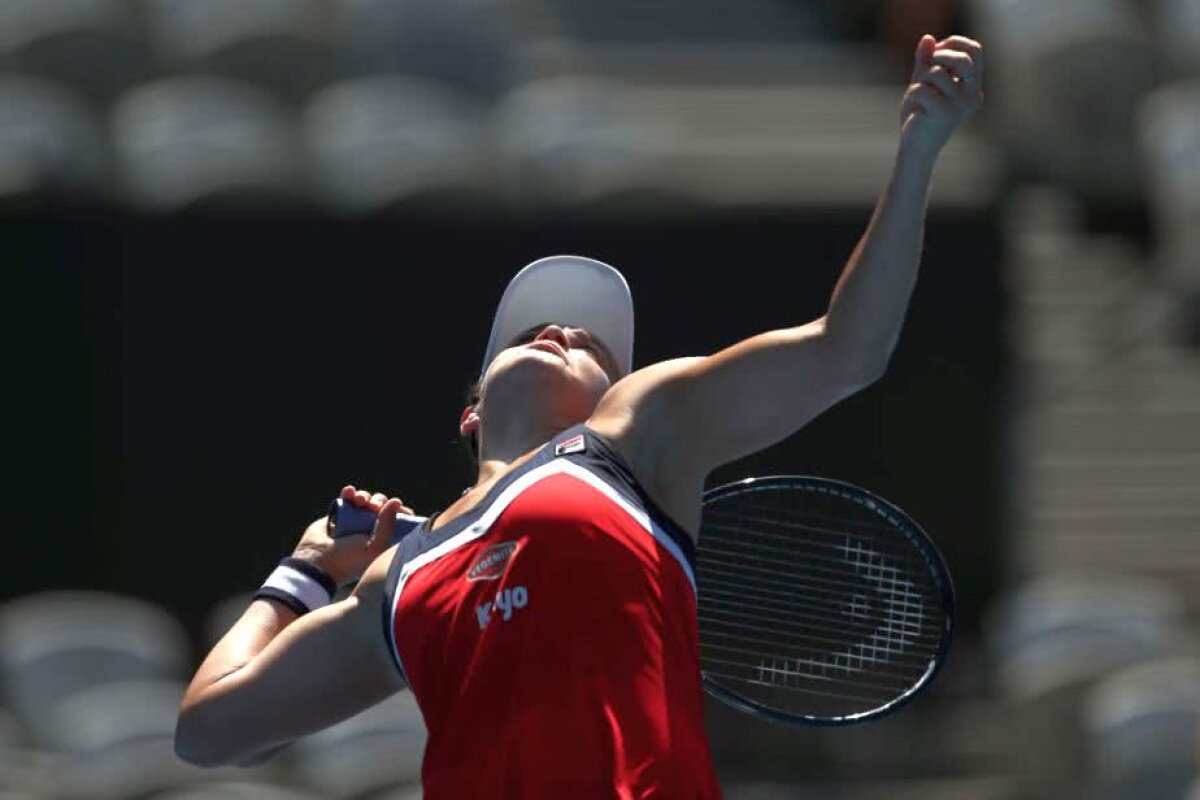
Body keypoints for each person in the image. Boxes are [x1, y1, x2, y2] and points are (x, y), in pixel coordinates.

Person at [175, 33, 984, 799]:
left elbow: (848, 351)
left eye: (590, 342)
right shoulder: (397, 579)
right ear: (472, 413)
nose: (561, 330)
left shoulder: (639, 432)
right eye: (532, 333)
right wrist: (306, 573)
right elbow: (209, 732)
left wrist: (917, 155)